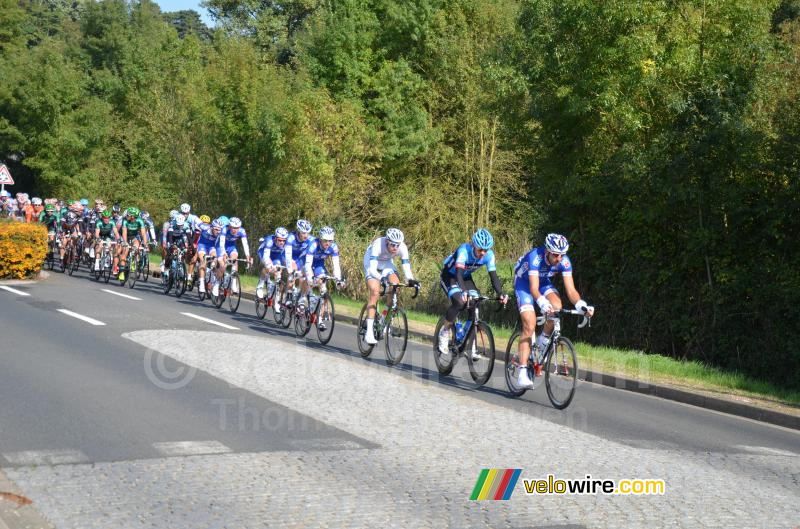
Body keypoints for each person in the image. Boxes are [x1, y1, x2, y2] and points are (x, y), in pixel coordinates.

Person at [512, 233, 595, 388]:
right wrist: (542, 301)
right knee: (529, 324)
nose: (559, 259)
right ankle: (522, 372)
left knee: (557, 306)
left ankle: (543, 341)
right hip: (524, 283)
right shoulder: (535, 257)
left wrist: (581, 305)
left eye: (562, 255)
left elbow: (571, 291)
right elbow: (533, 288)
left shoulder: (564, 261)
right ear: (547, 252)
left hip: (543, 282)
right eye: (556, 255)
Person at [437, 228, 508, 356]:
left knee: (475, 302)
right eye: (480, 249)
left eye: (486, 250)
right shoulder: (464, 250)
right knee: (459, 302)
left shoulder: (489, 255)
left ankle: (470, 344)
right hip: (450, 276)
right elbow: (458, 274)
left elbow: (493, 277)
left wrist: (500, 293)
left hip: (465, 277)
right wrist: (463, 291)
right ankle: (445, 331)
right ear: (474, 245)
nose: (483, 253)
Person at [361, 228, 419, 345]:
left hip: (387, 263)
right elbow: (372, 269)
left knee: (396, 286)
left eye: (397, 245)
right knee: (375, 291)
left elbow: (406, 267)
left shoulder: (402, 247)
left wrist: (411, 280)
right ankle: (369, 333)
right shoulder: (378, 244)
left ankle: (384, 318)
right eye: (393, 245)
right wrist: (380, 278)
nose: (395, 248)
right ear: (387, 241)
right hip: (372, 263)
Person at [213, 216, 251, 297]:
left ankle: (233, 284)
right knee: (223, 265)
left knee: (234, 260)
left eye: (237, 228)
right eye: (233, 228)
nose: (235, 230)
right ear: (229, 226)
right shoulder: (224, 229)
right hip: (220, 246)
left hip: (231, 246)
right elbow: (222, 243)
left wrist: (248, 256)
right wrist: (223, 253)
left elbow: (245, 244)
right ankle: (216, 284)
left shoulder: (242, 231)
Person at [284, 219, 316, 307]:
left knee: (306, 275)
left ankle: (301, 296)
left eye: (307, 233)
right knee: (293, 271)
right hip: (290, 256)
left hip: (300, 258)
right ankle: (289, 295)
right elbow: (288, 254)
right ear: (298, 232)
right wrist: (290, 269)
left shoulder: (311, 239)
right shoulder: (291, 238)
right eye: (303, 233)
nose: (306, 235)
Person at [256, 227, 289, 307]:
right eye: (280, 240)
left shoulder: (287, 243)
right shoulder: (269, 241)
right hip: (264, 253)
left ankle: (277, 299)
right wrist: (270, 265)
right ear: (275, 238)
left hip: (276, 255)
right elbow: (266, 257)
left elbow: (287, 257)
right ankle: (260, 286)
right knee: (268, 268)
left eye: (284, 240)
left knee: (278, 271)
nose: (282, 242)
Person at [117, 207, 148, 280]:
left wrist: (145, 244)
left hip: (133, 236)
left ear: (133, 217)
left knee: (137, 246)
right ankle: (121, 273)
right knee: (125, 251)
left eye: (128, 215)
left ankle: (133, 260)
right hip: (125, 236)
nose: (127, 216)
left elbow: (143, 233)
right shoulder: (125, 221)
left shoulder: (140, 221)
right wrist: (125, 243)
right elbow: (124, 233)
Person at [195, 218, 221, 294]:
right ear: (212, 227)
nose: (217, 231)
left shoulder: (220, 233)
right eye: (216, 229)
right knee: (203, 261)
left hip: (211, 246)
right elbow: (195, 221)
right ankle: (202, 283)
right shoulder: (205, 227)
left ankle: (212, 278)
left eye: (219, 229)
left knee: (215, 259)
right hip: (202, 245)